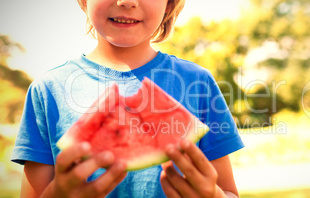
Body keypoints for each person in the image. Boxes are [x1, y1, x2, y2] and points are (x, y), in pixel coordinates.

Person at [11, 0, 244, 197]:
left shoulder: (198, 82)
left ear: (170, 3)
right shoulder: (47, 90)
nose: (127, 1)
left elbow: (228, 191)